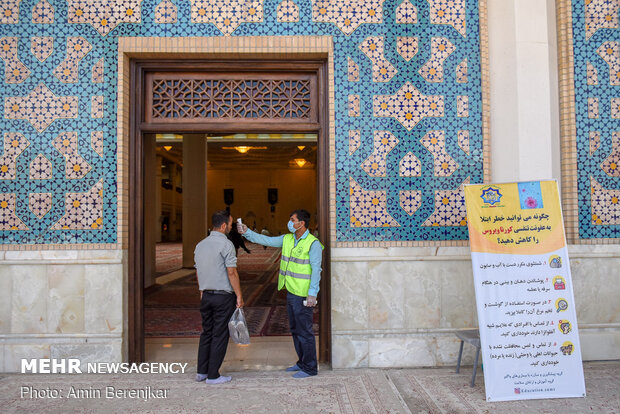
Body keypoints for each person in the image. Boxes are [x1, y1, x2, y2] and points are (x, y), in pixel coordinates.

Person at [238, 209, 323, 378]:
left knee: (304, 331)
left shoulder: (313, 244)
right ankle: (302, 362)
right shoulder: (287, 239)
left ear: (302, 223)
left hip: (304, 294)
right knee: (295, 329)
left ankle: (310, 367)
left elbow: (316, 270)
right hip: (291, 291)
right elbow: (265, 240)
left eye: (292, 220)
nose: (290, 222)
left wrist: (312, 294)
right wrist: (247, 232)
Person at [194, 210, 244, 384]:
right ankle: (213, 375)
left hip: (206, 296)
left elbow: (198, 271)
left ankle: (202, 372)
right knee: (220, 334)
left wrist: (202, 290)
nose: (230, 227)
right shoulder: (226, 244)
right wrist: (239, 295)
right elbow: (231, 272)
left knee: (206, 332)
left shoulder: (200, 245)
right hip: (223, 297)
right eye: (230, 225)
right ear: (223, 226)